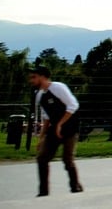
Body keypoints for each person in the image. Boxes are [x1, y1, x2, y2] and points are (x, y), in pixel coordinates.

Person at [29, 66, 83, 196]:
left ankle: (75, 186)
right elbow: (46, 117)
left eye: (34, 77)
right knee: (42, 158)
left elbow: (73, 105)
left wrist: (60, 123)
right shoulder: (40, 95)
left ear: (43, 77)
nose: (31, 80)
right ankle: (43, 191)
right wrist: (41, 138)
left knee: (67, 159)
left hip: (70, 128)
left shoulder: (58, 87)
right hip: (54, 129)